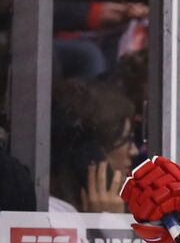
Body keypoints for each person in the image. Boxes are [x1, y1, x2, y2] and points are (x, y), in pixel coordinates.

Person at [49, 78, 139, 214]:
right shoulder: (53, 213)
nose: (134, 151)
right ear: (91, 155)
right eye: (126, 140)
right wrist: (108, 222)